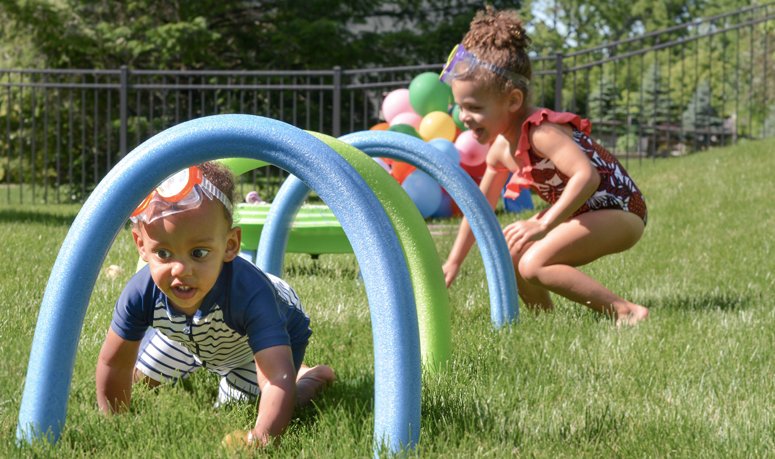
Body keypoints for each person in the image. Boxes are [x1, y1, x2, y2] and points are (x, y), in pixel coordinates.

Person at [95, 161, 335, 448]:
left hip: (253, 335)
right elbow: (114, 363)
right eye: (164, 252)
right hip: (190, 332)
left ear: (230, 245)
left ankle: (311, 376)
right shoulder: (141, 292)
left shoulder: (252, 295)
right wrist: (114, 424)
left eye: (198, 253)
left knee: (256, 403)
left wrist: (261, 440)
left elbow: (275, 382)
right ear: (141, 245)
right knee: (140, 378)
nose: (180, 270)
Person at [440, 7, 649, 326]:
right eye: (459, 106)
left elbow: (586, 176)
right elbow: (479, 209)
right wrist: (453, 262)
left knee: (533, 263)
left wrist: (543, 224)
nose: (463, 116)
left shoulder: (542, 132)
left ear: (512, 101)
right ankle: (546, 323)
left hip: (622, 211)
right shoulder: (500, 150)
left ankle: (626, 311)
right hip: (584, 213)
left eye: (474, 107)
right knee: (512, 253)